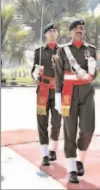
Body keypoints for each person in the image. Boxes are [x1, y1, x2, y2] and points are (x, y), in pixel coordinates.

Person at [54, 20, 97, 184]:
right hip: (68, 94)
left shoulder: (91, 50)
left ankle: (80, 158)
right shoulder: (63, 50)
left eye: (82, 28)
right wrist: (58, 96)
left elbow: (94, 71)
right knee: (69, 131)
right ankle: (72, 168)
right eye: (77, 29)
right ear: (71, 32)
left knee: (88, 129)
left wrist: (92, 74)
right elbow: (58, 74)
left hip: (86, 93)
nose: (80, 31)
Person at [31, 23, 62, 166]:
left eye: (55, 31)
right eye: (50, 31)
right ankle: (44, 154)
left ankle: (53, 149)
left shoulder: (63, 51)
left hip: (57, 91)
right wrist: (34, 73)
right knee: (42, 122)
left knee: (56, 122)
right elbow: (33, 71)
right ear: (45, 34)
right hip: (42, 90)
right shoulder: (38, 51)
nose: (53, 33)